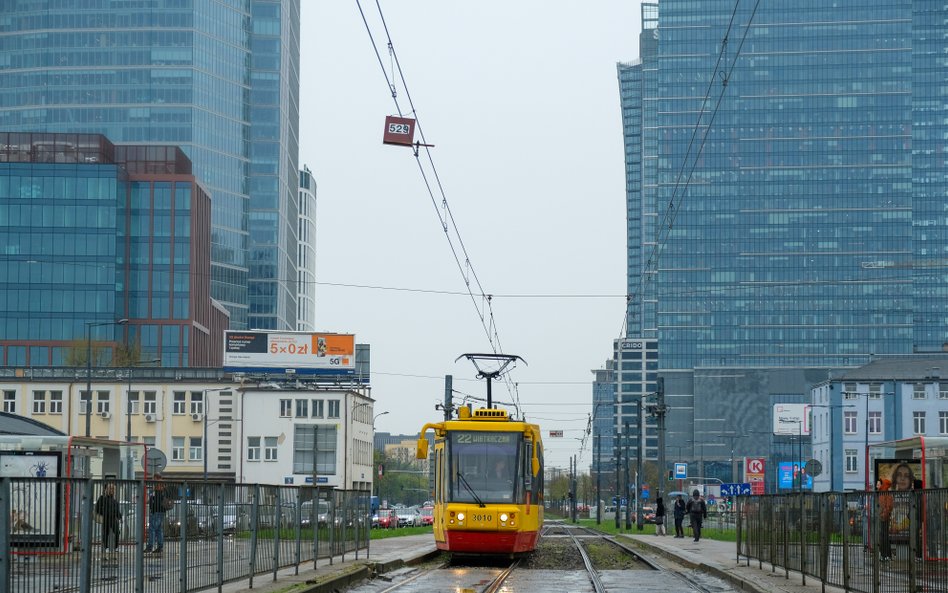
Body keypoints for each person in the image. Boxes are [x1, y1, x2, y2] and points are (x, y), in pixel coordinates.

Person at [94, 483, 122, 559]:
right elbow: (97, 509)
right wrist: (105, 512)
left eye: (113, 489)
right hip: (105, 518)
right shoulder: (102, 498)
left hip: (113, 519)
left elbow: (117, 511)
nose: (112, 490)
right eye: (110, 488)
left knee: (117, 532)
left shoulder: (115, 501)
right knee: (105, 533)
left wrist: (119, 516)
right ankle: (105, 548)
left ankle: (115, 547)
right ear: (106, 489)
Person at [145, 474, 171, 555]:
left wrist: (151, 497)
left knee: (152, 529)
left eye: (153, 478)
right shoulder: (165, 488)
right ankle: (160, 546)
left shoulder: (158, 485)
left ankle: (150, 546)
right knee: (159, 529)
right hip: (161, 511)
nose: (153, 480)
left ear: (156, 478)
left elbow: (155, 499)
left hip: (156, 511)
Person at [877, 478, 893, 561]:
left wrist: (883, 515)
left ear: (883, 485)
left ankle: (886, 555)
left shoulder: (886, 494)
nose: (877, 485)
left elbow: (888, 507)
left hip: (884, 518)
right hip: (882, 517)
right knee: (883, 536)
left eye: (879, 484)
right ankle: (885, 555)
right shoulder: (881, 494)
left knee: (884, 536)